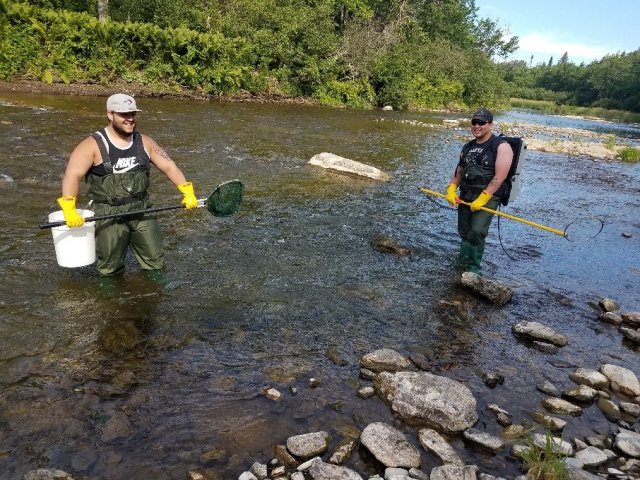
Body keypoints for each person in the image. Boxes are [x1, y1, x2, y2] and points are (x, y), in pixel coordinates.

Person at [56, 93, 199, 276]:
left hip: (142, 210)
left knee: (155, 260)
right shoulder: (92, 145)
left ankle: (156, 292)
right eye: (124, 114)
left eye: (132, 114)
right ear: (110, 114)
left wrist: (187, 191)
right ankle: (109, 297)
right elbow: (72, 176)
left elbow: (169, 166)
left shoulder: (145, 142)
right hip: (108, 214)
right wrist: (69, 208)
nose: (129, 119)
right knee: (110, 267)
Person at [444, 108, 513, 273]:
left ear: (490, 125)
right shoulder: (467, 147)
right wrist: (452, 188)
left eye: (481, 122)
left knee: (476, 231)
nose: (477, 126)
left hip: (488, 197)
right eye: (474, 122)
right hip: (466, 194)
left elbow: (500, 176)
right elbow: (459, 170)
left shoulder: (501, 146)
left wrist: (483, 198)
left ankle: (473, 268)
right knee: (464, 231)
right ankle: (462, 263)